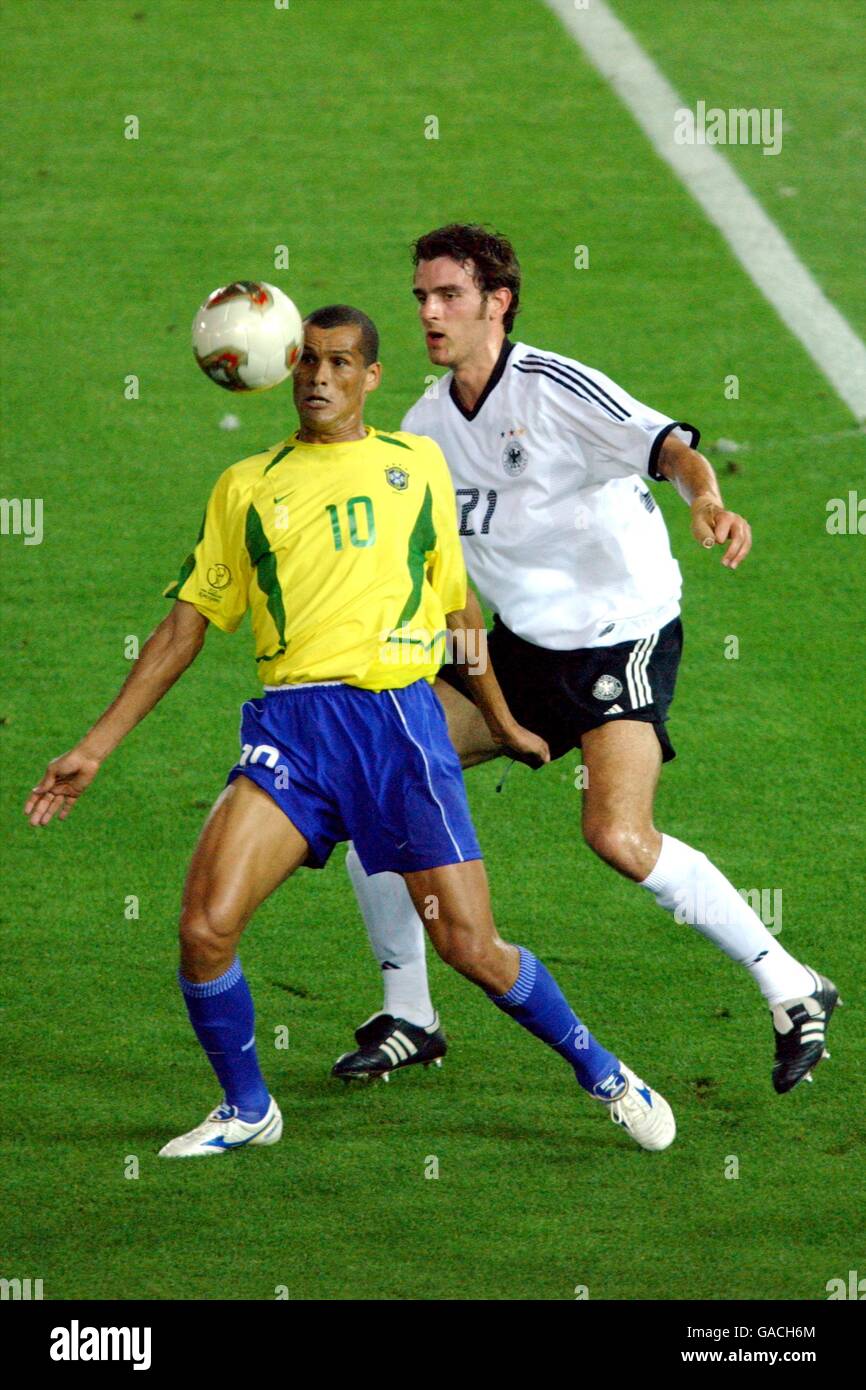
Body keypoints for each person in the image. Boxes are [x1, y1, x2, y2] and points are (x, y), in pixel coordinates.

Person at [24, 302, 676, 1156]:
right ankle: (248, 1108)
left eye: (340, 365)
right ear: (287, 370)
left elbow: (456, 607)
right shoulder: (246, 486)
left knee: (470, 947)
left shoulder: (417, 465)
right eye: (308, 365)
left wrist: (502, 718)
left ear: (371, 377)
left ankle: (604, 1072)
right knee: (204, 927)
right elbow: (185, 625)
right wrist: (94, 746)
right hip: (292, 735)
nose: (320, 380)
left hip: (397, 728)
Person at [335, 228, 839, 1096]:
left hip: (622, 633)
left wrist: (707, 498)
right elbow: (441, 575)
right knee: (379, 776)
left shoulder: (555, 387)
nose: (428, 312)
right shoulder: (422, 430)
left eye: (448, 295)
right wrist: (480, 699)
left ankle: (792, 986)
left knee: (616, 834)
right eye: (421, 296)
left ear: (498, 302)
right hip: (521, 643)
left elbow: (667, 448)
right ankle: (409, 1015)